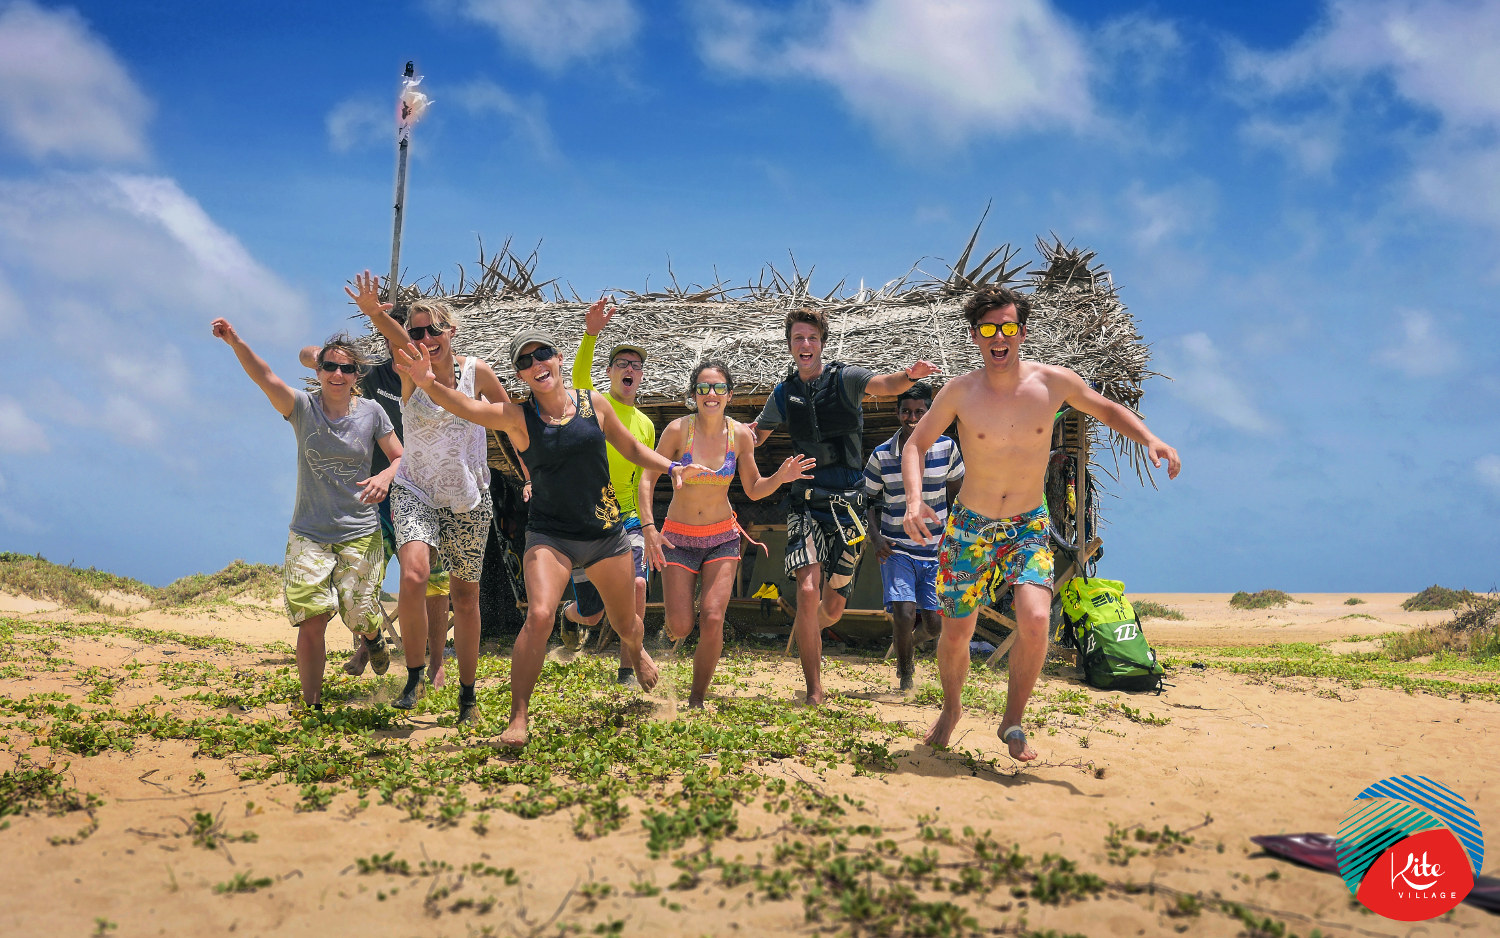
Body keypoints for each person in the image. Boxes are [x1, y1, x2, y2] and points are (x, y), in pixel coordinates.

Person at [901, 286, 1181, 760]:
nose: (999, 336)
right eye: (988, 329)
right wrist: (913, 501)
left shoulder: (1054, 384)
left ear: (1022, 332)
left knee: (1034, 619)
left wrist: (1150, 438)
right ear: (975, 336)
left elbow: (1107, 409)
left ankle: (1012, 720)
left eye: (1008, 327)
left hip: (1027, 524)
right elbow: (915, 444)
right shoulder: (960, 392)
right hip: (970, 526)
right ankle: (951, 709)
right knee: (957, 632)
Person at [392, 330, 708, 747]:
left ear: (559, 358)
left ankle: (638, 650)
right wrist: (428, 382)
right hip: (550, 536)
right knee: (539, 615)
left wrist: (671, 467)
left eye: (542, 354)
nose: (536, 364)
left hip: (603, 532)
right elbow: (466, 406)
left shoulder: (592, 402)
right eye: (525, 361)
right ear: (520, 375)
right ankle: (518, 719)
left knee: (626, 623)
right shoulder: (518, 417)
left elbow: (630, 447)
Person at [346, 271, 511, 723]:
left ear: (451, 332)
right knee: (415, 576)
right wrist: (378, 314)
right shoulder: (410, 371)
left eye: (432, 330)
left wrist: (532, 473)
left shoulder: (478, 372)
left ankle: (468, 695)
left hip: (466, 495)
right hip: (415, 487)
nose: (424, 338)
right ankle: (415, 675)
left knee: (465, 595)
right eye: (416, 332)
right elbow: (400, 338)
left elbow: (514, 422)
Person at [211, 319, 401, 710]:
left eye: (347, 368)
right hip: (309, 532)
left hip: (361, 531)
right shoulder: (302, 407)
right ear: (318, 372)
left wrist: (385, 474)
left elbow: (400, 457)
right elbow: (265, 377)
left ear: (356, 376)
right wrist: (235, 341)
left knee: (359, 614)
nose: (337, 374)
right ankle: (310, 704)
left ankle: (371, 636)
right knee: (312, 619)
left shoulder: (372, 413)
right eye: (330, 366)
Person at [753, 307, 939, 705]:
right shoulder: (783, 393)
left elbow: (886, 384)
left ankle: (808, 631)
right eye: (798, 338)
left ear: (822, 343)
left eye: (812, 338)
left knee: (831, 608)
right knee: (806, 590)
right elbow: (757, 435)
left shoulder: (846, 378)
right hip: (805, 502)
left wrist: (910, 375)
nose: (806, 345)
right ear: (790, 345)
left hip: (848, 507)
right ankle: (814, 689)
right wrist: (723, 429)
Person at [640, 361, 815, 708]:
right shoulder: (677, 431)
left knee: (714, 617)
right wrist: (648, 528)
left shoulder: (740, 436)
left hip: (722, 536)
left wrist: (780, 477)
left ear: (730, 394)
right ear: (693, 394)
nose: (711, 394)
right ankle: (669, 640)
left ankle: (696, 698)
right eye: (703, 388)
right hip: (678, 538)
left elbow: (752, 489)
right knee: (680, 625)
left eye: (719, 388)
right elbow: (647, 478)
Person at [298, 326, 452, 680]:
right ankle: (366, 648)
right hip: (374, 494)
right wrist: (327, 359)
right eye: (396, 338)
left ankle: (438, 661)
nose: (403, 345)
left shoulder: (437, 377)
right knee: (364, 574)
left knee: (434, 579)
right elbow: (306, 354)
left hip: (423, 493)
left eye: (411, 339)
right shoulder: (371, 374)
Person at [558, 297, 655, 686]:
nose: (629, 369)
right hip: (586, 518)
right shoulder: (591, 406)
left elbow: (642, 480)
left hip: (626, 517)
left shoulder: (647, 424)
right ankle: (569, 614)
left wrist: (647, 524)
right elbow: (579, 375)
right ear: (611, 373)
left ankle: (628, 668)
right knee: (593, 613)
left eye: (636, 365)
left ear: (641, 376)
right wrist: (591, 334)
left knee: (638, 585)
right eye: (621, 364)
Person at [863, 383, 964, 691]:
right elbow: (864, 501)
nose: (912, 417)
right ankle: (905, 673)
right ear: (897, 413)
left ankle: (907, 645)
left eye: (920, 411)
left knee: (934, 624)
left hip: (936, 551)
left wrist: (957, 536)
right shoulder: (882, 456)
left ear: (930, 413)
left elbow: (959, 495)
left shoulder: (947, 448)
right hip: (897, 549)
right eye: (906, 411)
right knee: (905, 613)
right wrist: (876, 539)